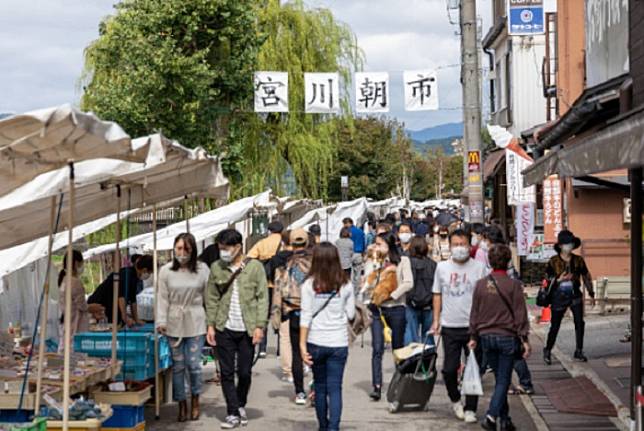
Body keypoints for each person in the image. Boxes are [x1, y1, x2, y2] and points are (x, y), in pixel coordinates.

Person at [206, 229, 269, 429]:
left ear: (238, 247)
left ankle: (240, 403)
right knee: (225, 372)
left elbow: (262, 297)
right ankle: (232, 412)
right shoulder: (216, 268)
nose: (222, 252)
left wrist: (260, 326)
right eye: (220, 248)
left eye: (226, 248)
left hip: (247, 328)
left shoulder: (255, 267)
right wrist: (210, 325)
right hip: (224, 326)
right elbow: (211, 297)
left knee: (244, 372)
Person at [469, 243, 531, 430]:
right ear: (508, 261)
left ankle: (506, 420)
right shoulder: (514, 286)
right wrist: (525, 339)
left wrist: (473, 335)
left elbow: (474, 313)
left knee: (500, 379)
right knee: (503, 380)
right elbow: (520, 315)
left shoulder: (481, 285)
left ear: (490, 261)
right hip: (507, 337)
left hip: (486, 337)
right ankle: (492, 415)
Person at [431, 229, 487, 424]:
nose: (459, 248)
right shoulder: (442, 268)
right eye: (455, 244)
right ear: (450, 246)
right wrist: (436, 319)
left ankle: (471, 408)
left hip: (473, 326)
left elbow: (485, 296)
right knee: (448, 369)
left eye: (463, 244)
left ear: (470, 245)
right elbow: (437, 294)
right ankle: (455, 400)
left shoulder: (479, 268)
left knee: (473, 369)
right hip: (450, 325)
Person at [301, 242, 355, 431]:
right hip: (338, 342)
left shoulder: (309, 284)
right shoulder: (345, 283)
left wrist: (301, 346)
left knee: (321, 387)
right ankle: (334, 428)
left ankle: (323, 426)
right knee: (335, 388)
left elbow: (305, 316)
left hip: (315, 341)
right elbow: (350, 314)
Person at [157, 233, 210, 422]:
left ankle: (195, 398)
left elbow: (209, 297)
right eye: (178, 248)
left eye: (185, 249)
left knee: (193, 365)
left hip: (196, 320)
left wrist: (211, 324)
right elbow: (162, 298)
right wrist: (160, 321)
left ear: (193, 250)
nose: (181, 252)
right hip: (173, 322)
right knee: (178, 366)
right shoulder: (165, 271)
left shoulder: (202, 269)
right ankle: (182, 403)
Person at [365, 231, 413, 401]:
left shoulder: (403, 261)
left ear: (389, 245)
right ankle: (376, 386)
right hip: (377, 309)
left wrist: (392, 295)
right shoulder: (373, 261)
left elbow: (408, 282)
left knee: (397, 348)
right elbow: (367, 282)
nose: (376, 247)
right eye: (375, 243)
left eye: (379, 244)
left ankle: (399, 384)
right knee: (377, 348)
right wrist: (372, 262)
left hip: (396, 308)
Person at [543, 230, 595, 364]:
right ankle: (548, 349)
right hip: (558, 296)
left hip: (575, 294)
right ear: (560, 246)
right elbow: (546, 280)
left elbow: (586, 276)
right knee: (555, 325)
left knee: (579, 323)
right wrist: (559, 279)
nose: (569, 246)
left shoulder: (578, 260)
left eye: (571, 243)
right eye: (566, 243)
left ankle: (579, 350)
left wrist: (591, 292)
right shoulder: (553, 261)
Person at [272, 228, 312, 405]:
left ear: (290, 243)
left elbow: (278, 291)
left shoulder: (285, 264)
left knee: (297, 352)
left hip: (294, 311)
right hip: (314, 312)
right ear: (307, 242)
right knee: (315, 351)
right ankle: (316, 387)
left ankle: (300, 392)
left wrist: (276, 315)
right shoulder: (315, 263)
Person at [248, 220, 283, 358]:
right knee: (281, 315)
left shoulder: (262, 243)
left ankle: (262, 348)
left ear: (269, 231)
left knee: (264, 316)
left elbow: (249, 257)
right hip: (281, 285)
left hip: (265, 284)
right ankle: (281, 349)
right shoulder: (285, 243)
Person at [88, 255, 152, 327]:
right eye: (149, 273)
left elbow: (133, 300)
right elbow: (121, 297)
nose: (149, 275)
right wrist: (125, 317)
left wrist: (136, 319)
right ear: (145, 270)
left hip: (110, 306)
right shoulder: (126, 274)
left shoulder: (134, 277)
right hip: (98, 306)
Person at [59, 250, 104, 339]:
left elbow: (75, 306)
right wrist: (94, 308)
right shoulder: (75, 282)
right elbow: (82, 306)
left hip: (68, 326)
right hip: (76, 328)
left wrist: (91, 311)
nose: (82, 267)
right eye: (81, 263)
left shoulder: (64, 280)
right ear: (76, 263)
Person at [404, 236, 437, 345]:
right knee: (428, 337)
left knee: (411, 335)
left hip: (411, 304)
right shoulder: (433, 265)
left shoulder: (406, 264)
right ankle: (428, 360)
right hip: (429, 304)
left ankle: (411, 360)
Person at [342, 217, 365, 291]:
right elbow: (364, 243)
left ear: (348, 223)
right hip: (359, 253)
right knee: (357, 273)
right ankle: (357, 289)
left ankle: (348, 288)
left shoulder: (348, 232)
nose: (343, 226)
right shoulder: (360, 231)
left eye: (344, 224)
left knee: (349, 272)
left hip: (350, 254)